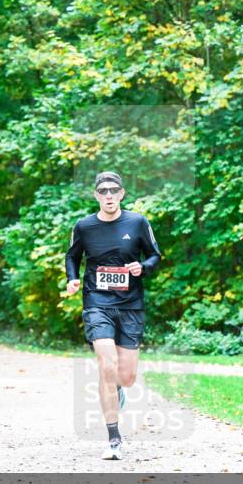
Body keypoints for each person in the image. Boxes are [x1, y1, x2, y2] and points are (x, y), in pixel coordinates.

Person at [65, 171, 161, 460]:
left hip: (131, 304)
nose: (108, 195)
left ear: (121, 194)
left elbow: (155, 255)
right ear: (96, 195)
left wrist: (143, 267)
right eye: (103, 191)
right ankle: (114, 439)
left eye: (113, 190)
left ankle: (119, 386)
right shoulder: (84, 226)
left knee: (127, 377)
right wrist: (72, 278)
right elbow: (72, 256)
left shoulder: (138, 222)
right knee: (106, 365)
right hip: (97, 302)